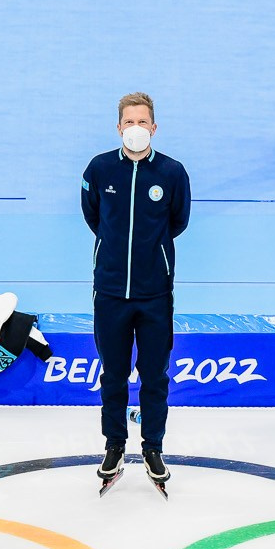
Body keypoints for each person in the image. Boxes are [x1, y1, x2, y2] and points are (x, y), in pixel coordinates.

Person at [81, 93, 191, 497]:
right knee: (112, 375)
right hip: (109, 291)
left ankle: (153, 447)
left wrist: (153, 256)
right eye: (129, 121)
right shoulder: (99, 168)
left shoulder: (172, 173)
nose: (136, 128)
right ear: (119, 127)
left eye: (143, 121)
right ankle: (114, 446)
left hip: (154, 295)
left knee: (155, 377)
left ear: (154, 128)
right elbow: (93, 216)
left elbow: (177, 221)